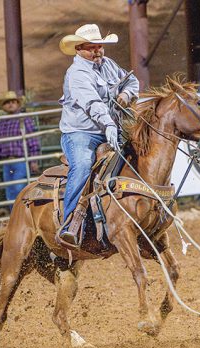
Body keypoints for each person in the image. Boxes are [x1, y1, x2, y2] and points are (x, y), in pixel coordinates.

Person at [57, 24, 139, 247]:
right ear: (79, 49)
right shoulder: (76, 74)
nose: (97, 51)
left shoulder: (108, 65)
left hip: (108, 129)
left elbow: (132, 81)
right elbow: (92, 104)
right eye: (91, 48)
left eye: (99, 46)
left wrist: (125, 94)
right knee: (83, 165)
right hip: (80, 133)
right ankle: (71, 223)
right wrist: (109, 124)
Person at [0, 91, 41, 207]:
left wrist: (33, 160)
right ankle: (14, 217)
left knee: (19, 188)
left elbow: (32, 140)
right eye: (7, 102)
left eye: (13, 102)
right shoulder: (2, 122)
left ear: (18, 104)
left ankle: (23, 215)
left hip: (21, 160)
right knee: (10, 190)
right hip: (7, 161)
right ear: (4, 106)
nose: (10, 104)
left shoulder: (24, 119)